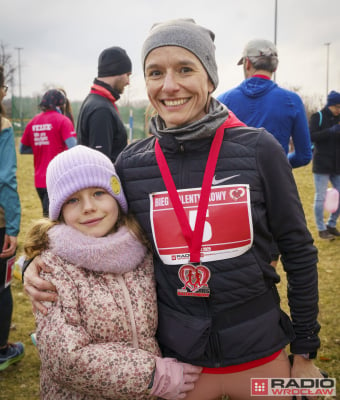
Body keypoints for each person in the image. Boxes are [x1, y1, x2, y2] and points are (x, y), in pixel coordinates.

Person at [23, 19, 322, 400]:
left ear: (210, 78)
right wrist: (34, 264)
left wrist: (305, 352)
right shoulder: (131, 165)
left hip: (260, 352)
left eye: (185, 69)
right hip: (181, 365)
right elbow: (94, 229)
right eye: (155, 73)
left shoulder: (260, 149)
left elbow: (298, 250)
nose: (169, 86)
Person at [24, 145, 201, 399]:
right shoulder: (53, 269)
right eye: (73, 199)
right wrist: (152, 375)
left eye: (98, 193)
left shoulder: (144, 249)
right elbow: (64, 358)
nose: (88, 207)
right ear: (59, 211)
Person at [217, 39, 312, 169]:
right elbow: (304, 155)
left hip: (235, 181)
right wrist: (279, 163)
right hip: (276, 184)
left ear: (247, 64)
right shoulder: (292, 101)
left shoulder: (223, 101)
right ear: (275, 66)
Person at [0, 65, 25, 370]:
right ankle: (2, 348)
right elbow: (5, 178)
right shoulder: (3, 125)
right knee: (2, 287)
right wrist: (14, 226)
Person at [19, 89, 77, 216]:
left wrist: (42, 147)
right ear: (60, 104)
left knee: (47, 216)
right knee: (54, 220)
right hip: (57, 178)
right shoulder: (63, 120)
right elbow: (74, 149)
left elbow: (22, 149)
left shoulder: (33, 122)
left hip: (39, 180)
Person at [77, 46, 132, 163]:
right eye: (128, 75)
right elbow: (100, 164)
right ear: (117, 71)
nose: (128, 82)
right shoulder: (101, 109)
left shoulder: (95, 101)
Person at [309, 90, 340, 240]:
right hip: (321, 164)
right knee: (320, 197)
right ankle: (321, 229)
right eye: (337, 107)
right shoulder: (318, 117)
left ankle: (331, 224)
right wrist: (331, 131)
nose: (338, 110)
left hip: (337, 165)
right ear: (330, 105)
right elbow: (312, 136)